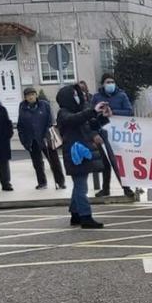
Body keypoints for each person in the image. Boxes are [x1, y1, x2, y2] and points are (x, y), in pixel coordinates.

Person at [56, 82, 107, 229]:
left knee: (79, 185)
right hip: (75, 153)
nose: (78, 97)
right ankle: (85, 216)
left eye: (78, 94)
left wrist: (103, 116)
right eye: (74, 95)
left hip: (82, 152)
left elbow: (92, 125)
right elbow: (75, 119)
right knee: (81, 186)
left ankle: (75, 214)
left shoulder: (80, 111)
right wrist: (92, 111)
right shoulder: (63, 113)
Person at [91, 73, 134, 198]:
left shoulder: (121, 95)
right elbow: (91, 114)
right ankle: (105, 188)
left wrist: (113, 112)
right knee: (105, 162)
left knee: (117, 162)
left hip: (118, 134)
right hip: (102, 132)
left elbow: (129, 111)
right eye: (107, 82)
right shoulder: (97, 97)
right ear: (103, 84)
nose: (110, 84)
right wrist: (94, 133)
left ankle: (126, 188)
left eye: (112, 82)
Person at [17, 88, 65, 190]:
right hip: (32, 139)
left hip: (46, 138)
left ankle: (60, 182)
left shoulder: (44, 105)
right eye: (28, 95)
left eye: (33, 94)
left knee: (54, 161)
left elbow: (50, 122)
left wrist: (46, 135)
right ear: (25, 97)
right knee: (37, 163)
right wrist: (23, 139)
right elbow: (20, 124)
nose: (31, 97)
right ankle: (42, 182)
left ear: (36, 95)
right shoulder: (22, 107)